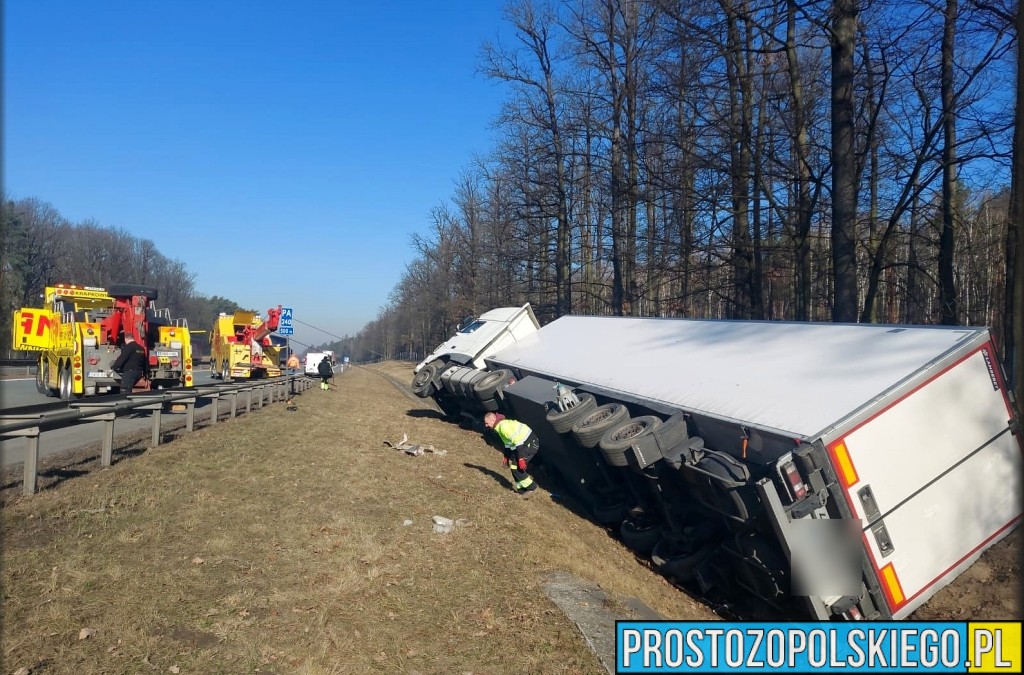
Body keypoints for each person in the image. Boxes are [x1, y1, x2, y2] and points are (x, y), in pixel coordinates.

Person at [483, 412, 540, 496]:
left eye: (487, 423)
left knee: (516, 467)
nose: (486, 425)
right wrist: (506, 457)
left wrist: (521, 459)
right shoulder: (499, 428)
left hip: (530, 444)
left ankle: (532, 487)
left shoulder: (504, 427)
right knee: (514, 467)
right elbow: (508, 444)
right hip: (523, 444)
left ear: (493, 420)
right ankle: (521, 490)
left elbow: (518, 443)